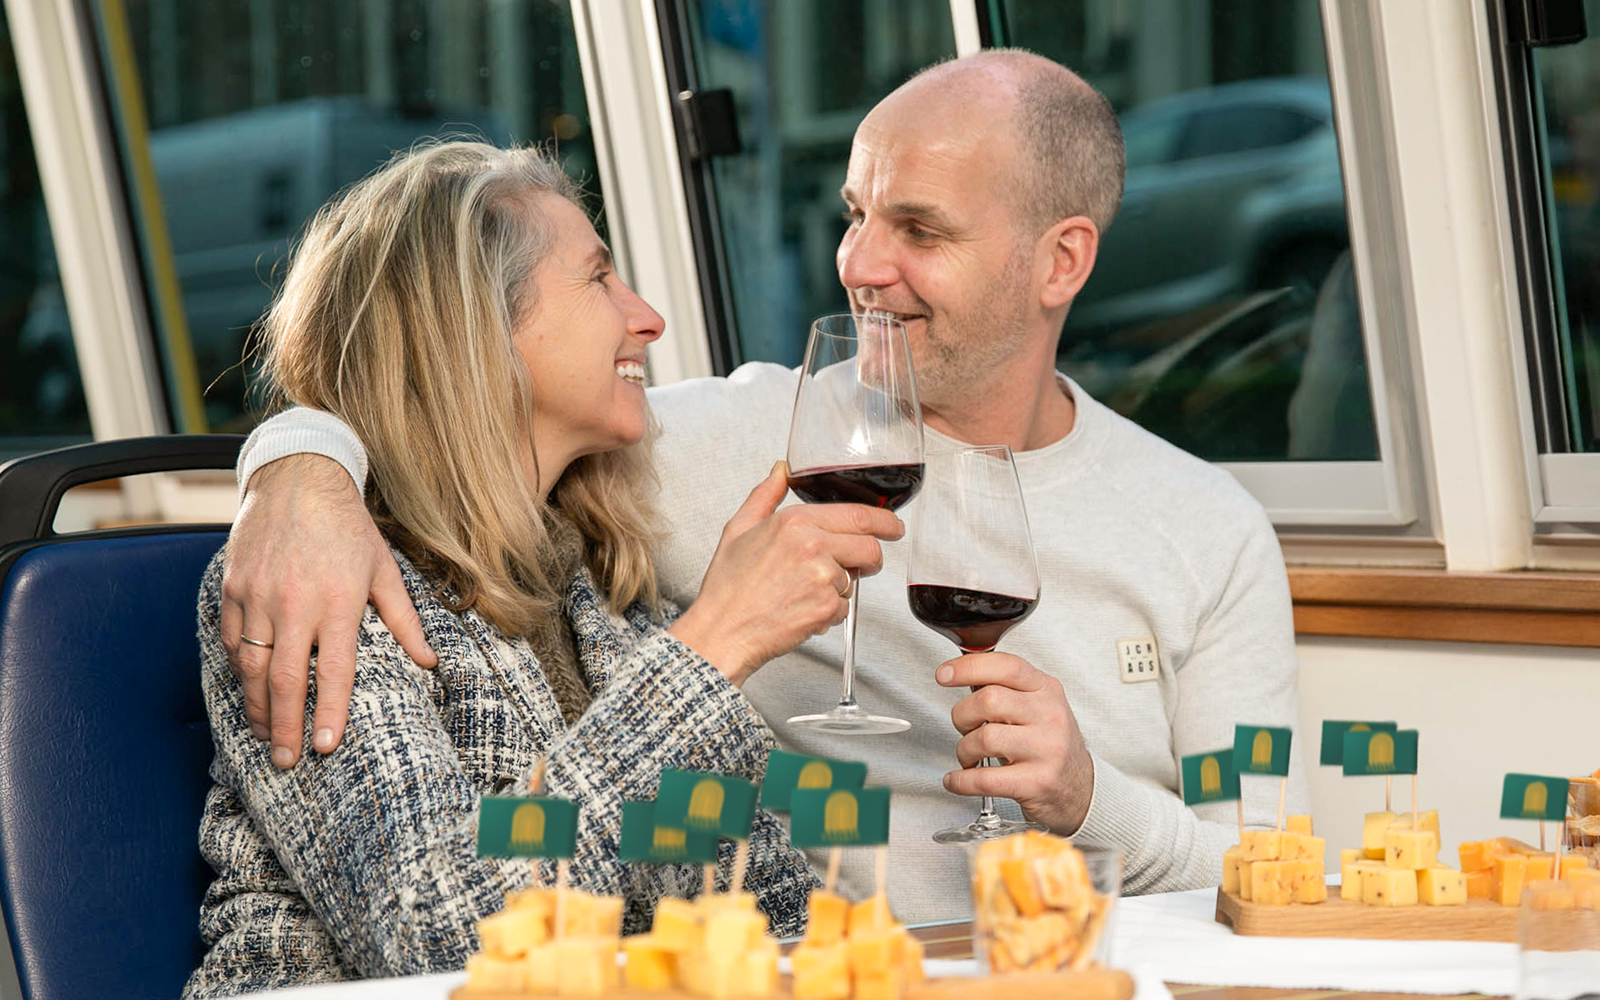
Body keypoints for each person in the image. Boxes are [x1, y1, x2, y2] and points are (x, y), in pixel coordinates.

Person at [224, 50, 1310, 923]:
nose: (858, 262)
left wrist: (1090, 802)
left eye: (920, 229)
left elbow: (1277, 877)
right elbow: (414, 394)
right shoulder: (673, 453)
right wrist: (299, 463)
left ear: (1060, 262)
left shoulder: (1206, 529)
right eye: (854, 213)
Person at [184, 140, 907, 996]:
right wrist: (710, 650)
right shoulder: (319, 585)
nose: (648, 318)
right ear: (474, 326)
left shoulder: (597, 585)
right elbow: (435, 936)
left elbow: (769, 908)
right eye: (599, 279)